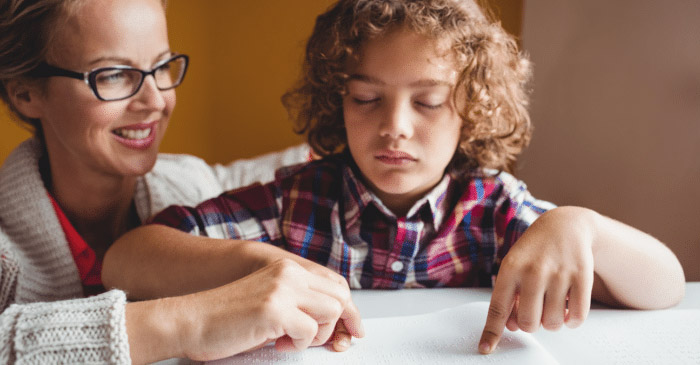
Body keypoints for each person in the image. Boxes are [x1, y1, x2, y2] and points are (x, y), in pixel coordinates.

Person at [103, 0, 685, 358]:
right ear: (339, 101)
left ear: (472, 108)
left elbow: (667, 287)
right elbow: (127, 258)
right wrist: (265, 265)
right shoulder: (295, 201)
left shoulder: (493, 208)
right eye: (367, 98)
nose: (395, 128)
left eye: (428, 102)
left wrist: (576, 226)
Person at [0, 0, 364, 363]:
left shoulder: (190, 185)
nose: (155, 100)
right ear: (25, 92)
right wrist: (197, 320)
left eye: (161, 66)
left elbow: (283, 170)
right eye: (111, 75)